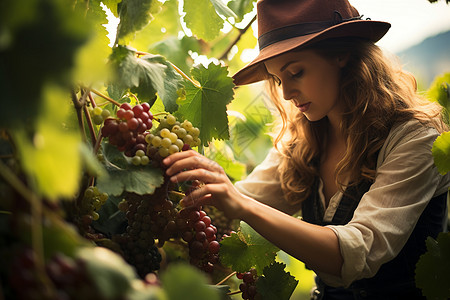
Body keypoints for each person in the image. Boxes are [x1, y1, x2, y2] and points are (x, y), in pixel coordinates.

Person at [163, 0, 450, 299]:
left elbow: (359, 252)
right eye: (277, 78)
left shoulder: (415, 137)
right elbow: (238, 203)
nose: (286, 93)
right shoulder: (302, 142)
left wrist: (241, 204)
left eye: (296, 72)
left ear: (341, 53)